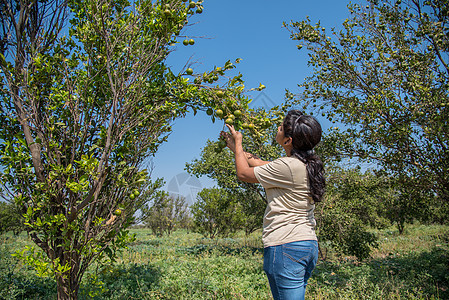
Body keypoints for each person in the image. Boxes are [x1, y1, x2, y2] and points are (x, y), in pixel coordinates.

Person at [220, 109, 325, 300]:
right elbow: (258, 162)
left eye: (281, 127)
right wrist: (234, 147)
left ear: (288, 140)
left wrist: (239, 142)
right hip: (307, 244)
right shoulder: (302, 164)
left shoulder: (287, 166)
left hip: (286, 244)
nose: (278, 128)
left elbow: (244, 174)